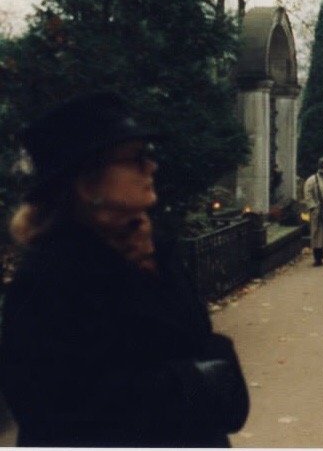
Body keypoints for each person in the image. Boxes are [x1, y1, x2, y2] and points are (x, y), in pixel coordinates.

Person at [0, 92, 249, 447]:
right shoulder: (47, 284)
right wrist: (199, 380)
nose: (151, 167)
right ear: (87, 184)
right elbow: (68, 418)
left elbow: (214, 373)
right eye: (135, 158)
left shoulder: (156, 253)